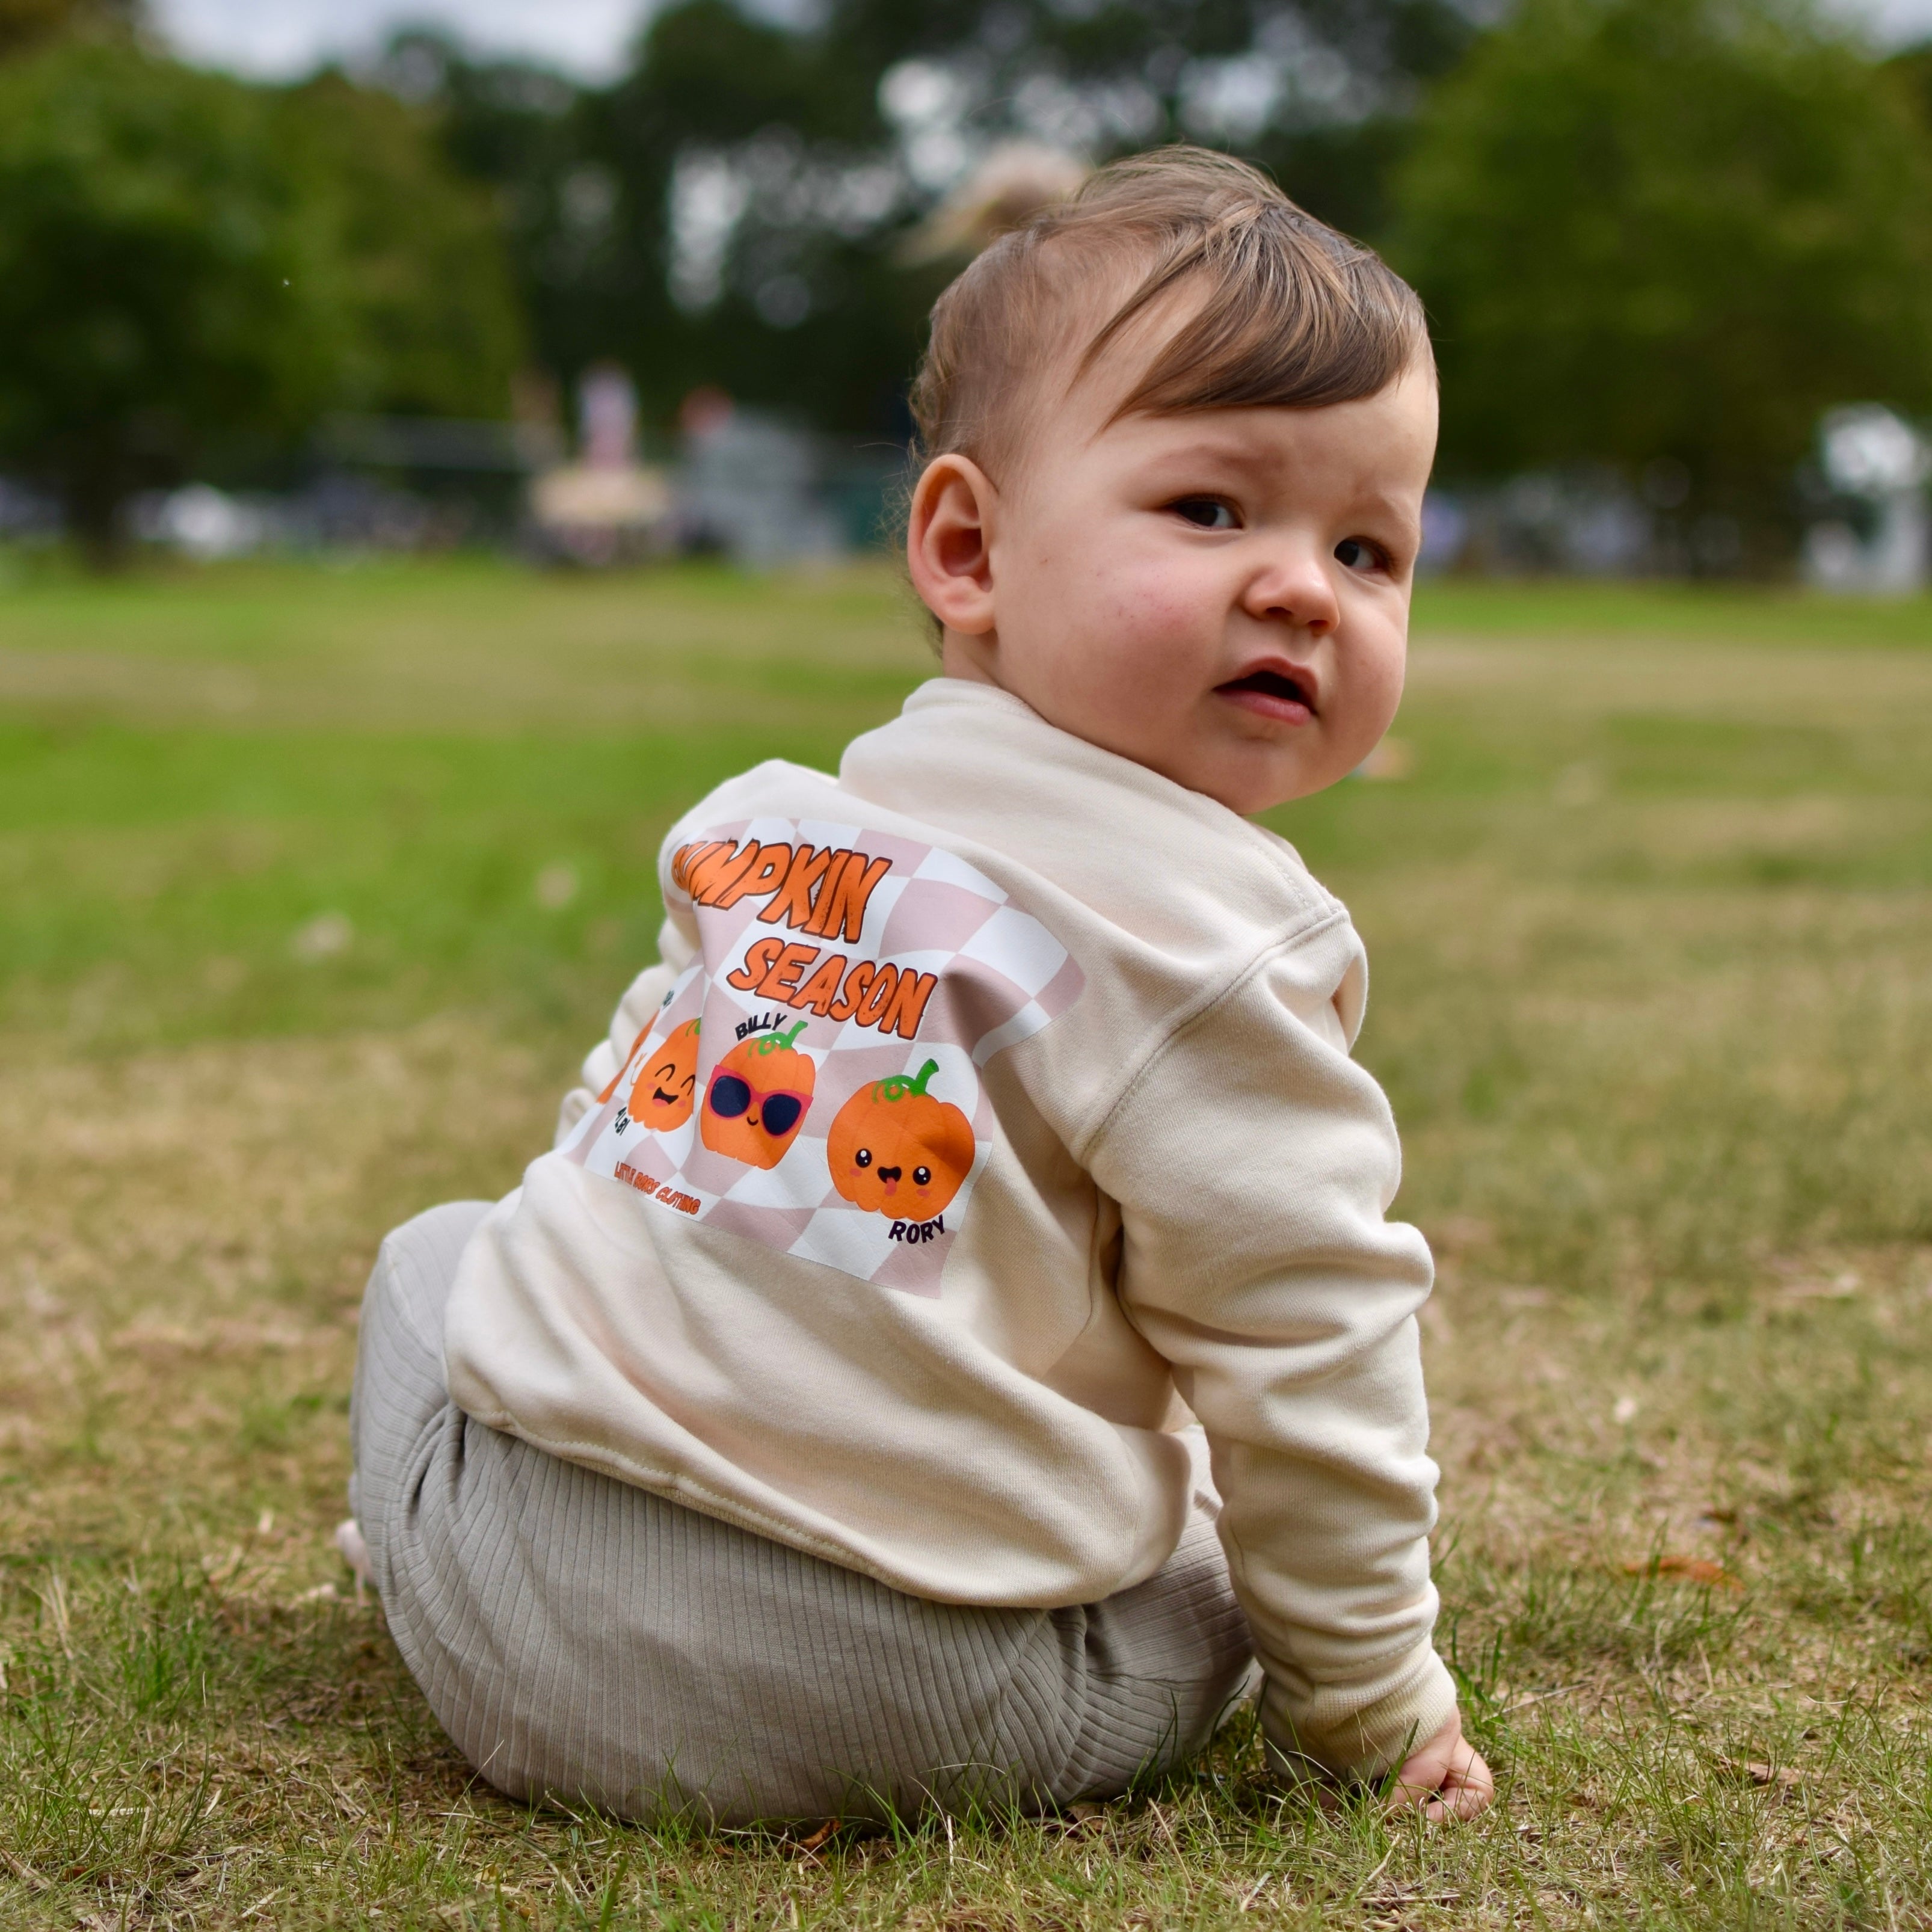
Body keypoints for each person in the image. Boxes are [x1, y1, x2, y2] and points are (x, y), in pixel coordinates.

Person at [343, 145, 1495, 1829]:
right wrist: (1368, 1705)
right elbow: (1307, 1362)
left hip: (505, 1601)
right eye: (1209, 507)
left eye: (1369, 549)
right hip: (890, 1697)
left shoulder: (763, 834)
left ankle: (412, 1558)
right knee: (1209, 1561)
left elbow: (613, 1146)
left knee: (437, 1254)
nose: (1298, 586)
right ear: (965, 547)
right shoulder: (1214, 951)